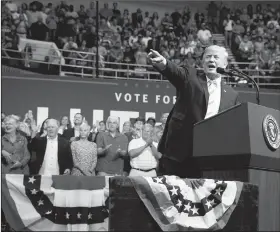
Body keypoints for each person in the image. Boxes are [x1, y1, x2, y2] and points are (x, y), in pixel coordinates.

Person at [147, 45, 239, 177]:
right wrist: (164, 63)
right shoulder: (191, 76)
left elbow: (233, 124)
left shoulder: (232, 95)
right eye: (208, 56)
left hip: (210, 156)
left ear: (225, 64)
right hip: (179, 153)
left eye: (216, 57)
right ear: (202, 62)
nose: (211, 60)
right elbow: (175, 72)